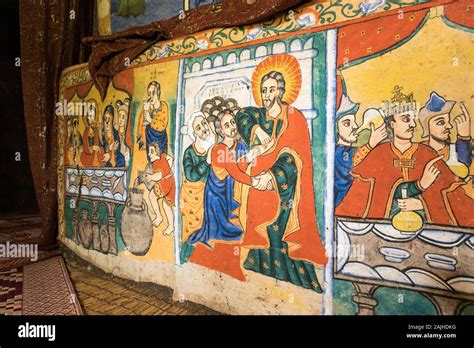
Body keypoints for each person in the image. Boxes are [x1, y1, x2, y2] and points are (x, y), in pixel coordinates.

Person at [236, 64, 327, 292]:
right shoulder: (259, 115)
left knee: (280, 229)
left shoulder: (293, 116)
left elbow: (296, 155)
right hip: (259, 185)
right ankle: (259, 266)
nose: (267, 95)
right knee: (260, 228)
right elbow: (241, 115)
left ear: (281, 91)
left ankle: (293, 275)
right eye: (264, 90)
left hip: (285, 185)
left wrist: (272, 175)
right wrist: (256, 130)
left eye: (271, 89)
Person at [336, 89, 474, 227]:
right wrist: (420, 186)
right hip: (384, 231)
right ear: (392, 124)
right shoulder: (378, 155)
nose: (413, 125)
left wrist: (422, 204)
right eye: (406, 120)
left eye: (413, 120)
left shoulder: (428, 155)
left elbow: (453, 195)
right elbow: (361, 200)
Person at [187, 109, 259, 246]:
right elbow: (235, 172)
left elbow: (239, 167)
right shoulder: (219, 149)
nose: (232, 127)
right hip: (216, 195)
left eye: (233, 122)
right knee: (229, 230)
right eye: (227, 125)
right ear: (221, 131)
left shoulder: (242, 145)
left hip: (230, 191)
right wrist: (253, 182)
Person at [334, 80, 387, 206]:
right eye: (347, 123)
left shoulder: (350, 150)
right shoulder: (338, 153)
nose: (355, 126)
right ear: (335, 128)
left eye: (354, 121)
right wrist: (370, 145)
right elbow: (352, 167)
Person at [180, 111, 216, 242]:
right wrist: (206, 162)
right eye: (198, 128)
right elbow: (190, 175)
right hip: (194, 194)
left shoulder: (214, 145)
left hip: (212, 191)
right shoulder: (189, 152)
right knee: (195, 226)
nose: (204, 128)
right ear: (194, 134)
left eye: (204, 123)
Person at [419, 92, 471, 168]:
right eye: (441, 122)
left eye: (448, 121)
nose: (449, 126)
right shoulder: (419, 150)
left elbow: (464, 169)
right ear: (427, 127)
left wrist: (464, 137)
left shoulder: (453, 151)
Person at [145, 142, 175, 235]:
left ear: (157, 152)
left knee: (158, 200)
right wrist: (169, 165)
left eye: (151, 152)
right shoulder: (162, 157)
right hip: (166, 182)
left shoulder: (158, 162)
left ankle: (162, 219)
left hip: (166, 184)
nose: (149, 154)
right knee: (163, 203)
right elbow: (170, 158)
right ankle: (168, 224)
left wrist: (151, 177)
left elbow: (159, 174)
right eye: (149, 152)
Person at [138, 81, 169, 157]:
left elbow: (162, 125)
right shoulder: (147, 109)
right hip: (149, 141)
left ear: (158, 92)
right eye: (149, 94)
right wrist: (145, 111)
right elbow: (141, 126)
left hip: (161, 141)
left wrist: (150, 120)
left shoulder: (163, 106)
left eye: (153, 93)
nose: (151, 96)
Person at [80, 99, 104, 167]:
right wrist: (92, 147)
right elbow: (85, 147)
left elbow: (101, 142)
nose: (91, 118)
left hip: (97, 155)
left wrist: (99, 148)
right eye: (90, 116)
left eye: (93, 116)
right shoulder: (86, 131)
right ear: (87, 117)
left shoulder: (97, 130)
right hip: (87, 155)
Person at [115, 99, 131, 167]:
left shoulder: (127, 135)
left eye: (123, 117)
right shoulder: (115, 133)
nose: (120, 119)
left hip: (125, 163)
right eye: (119, 116)